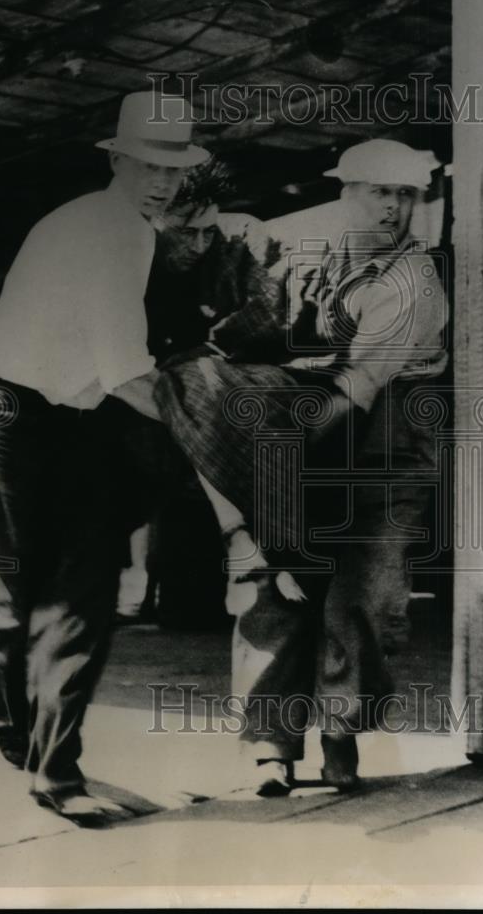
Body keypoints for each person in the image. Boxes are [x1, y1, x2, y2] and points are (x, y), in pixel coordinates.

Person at [154, 139, 449, 795]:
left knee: (361, 596)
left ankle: (340, 736)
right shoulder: (305, 260)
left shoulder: (412, 282)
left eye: (406, 194)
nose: (393, 207)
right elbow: (243, 334)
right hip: (303, 430)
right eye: (379, 191)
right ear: (343, 194)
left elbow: (350, 394)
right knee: (270, 587)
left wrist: (266, 478)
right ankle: (269, 747)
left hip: (384, 446)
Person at [0, 90, 207, 826]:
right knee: (81, 602)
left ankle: (10, 723)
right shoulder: (117, 234)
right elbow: (124, 372)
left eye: (174, 169)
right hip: (50, 421)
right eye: (147, 164)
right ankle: (54, 774)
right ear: (117, 159)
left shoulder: (79, 217)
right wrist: (205, 426)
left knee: (28, 595)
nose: (163, 182)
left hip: (16, 411)